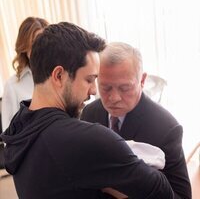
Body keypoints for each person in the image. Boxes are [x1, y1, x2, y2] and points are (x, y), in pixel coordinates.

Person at [1, 22, 180, 199]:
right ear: (59, 76)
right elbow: (161, 190)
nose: (94, 91)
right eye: (89, 79)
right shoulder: (88, 138)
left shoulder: (19, 126)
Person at [81, 42, 191, 199]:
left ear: (142, 80)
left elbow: (181, 196)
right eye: (105, 88)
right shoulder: (89, 113)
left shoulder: (166, 128)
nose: (114, 98)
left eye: (125, 88)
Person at [1, 17, 49, 132]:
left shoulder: (59, 77)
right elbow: (9, 136)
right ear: (24, 47)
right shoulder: (12, 86)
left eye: (44, 42)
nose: (40, 48)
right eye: (34, 43)